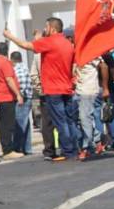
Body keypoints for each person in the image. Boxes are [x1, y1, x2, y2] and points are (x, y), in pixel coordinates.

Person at [4, 17, 78, 161]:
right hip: (67, 87)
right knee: (70, 121)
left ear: (52, 28)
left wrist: (10, 36)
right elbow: (72, 67)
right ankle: (74, 148)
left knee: (60, 121)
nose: (45, 30)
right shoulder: (68, 44)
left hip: (53, 89)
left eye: (46, 27)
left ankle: (68, 151)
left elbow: (26, 45)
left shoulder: (50, 42)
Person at [0, 42, 24, 158]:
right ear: (7, 51)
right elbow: (9, 79)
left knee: (4, 124)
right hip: (6, 96)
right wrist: (18, 94)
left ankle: (7, 148)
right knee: (8, 125)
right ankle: (8, 150)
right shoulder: (4, 62)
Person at [74, 55, 104, 160]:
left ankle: (85, 148)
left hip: (88, 90)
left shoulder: (91, 53)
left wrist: (105, 87)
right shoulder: (76, 53)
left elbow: (103, 67)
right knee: (79, 120)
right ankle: (98, 139)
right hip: (77, 90)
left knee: (84, 118)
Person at [11, 51, 34, 155]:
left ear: (12, 60)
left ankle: (17, 147)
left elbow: (22, 83)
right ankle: (27, 148)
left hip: (22, 99)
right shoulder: (25, 67)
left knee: (20, 124)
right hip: (27, 98)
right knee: (26, 123)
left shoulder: (17, 69)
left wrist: (20, 95)